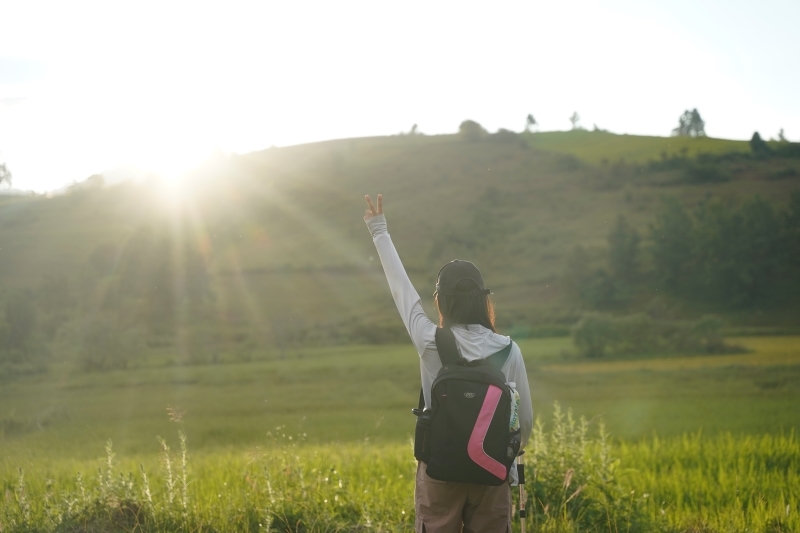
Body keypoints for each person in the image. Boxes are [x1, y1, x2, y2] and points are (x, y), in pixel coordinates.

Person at [363, 194, 533, 533]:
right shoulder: (508, 350)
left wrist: (378, 229)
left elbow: (403, 293)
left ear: (440, 300)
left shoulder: (429, 341)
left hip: (438, 470)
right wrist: (502, 461)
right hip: (492, 472)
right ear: (484, 300)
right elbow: (523, 422)